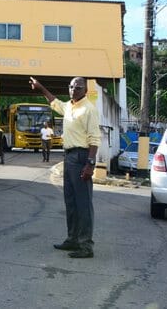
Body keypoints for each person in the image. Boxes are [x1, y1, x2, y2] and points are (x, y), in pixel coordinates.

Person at [30, 76, 101, 259]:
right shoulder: (69, 106)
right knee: (70, 202)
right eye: (71, 87)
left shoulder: (89, 110)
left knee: (83, 204)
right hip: (69, 157)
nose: (73, 90)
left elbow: (94, 139)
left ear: (85, 90)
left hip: (82, 157)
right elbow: (54, 102)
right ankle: (72, 239)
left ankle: (86, 246)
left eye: (78, 88)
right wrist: (40, 87)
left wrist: (90, 164)